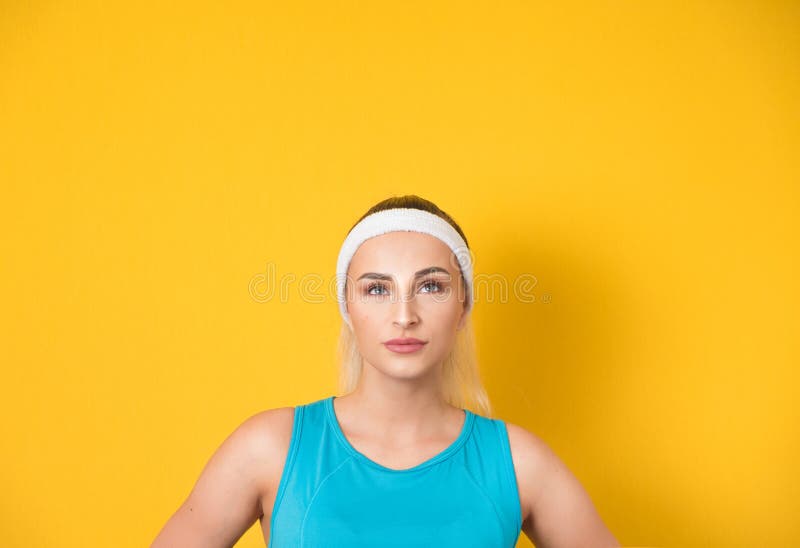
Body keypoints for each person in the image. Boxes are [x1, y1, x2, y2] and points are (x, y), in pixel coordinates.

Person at [151, 194, 619, 547]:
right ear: (348, 309)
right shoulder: (268, 447)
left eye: (431, 286)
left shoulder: (519, 463)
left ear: (463, 306)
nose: (404, 314)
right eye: (377, 290)